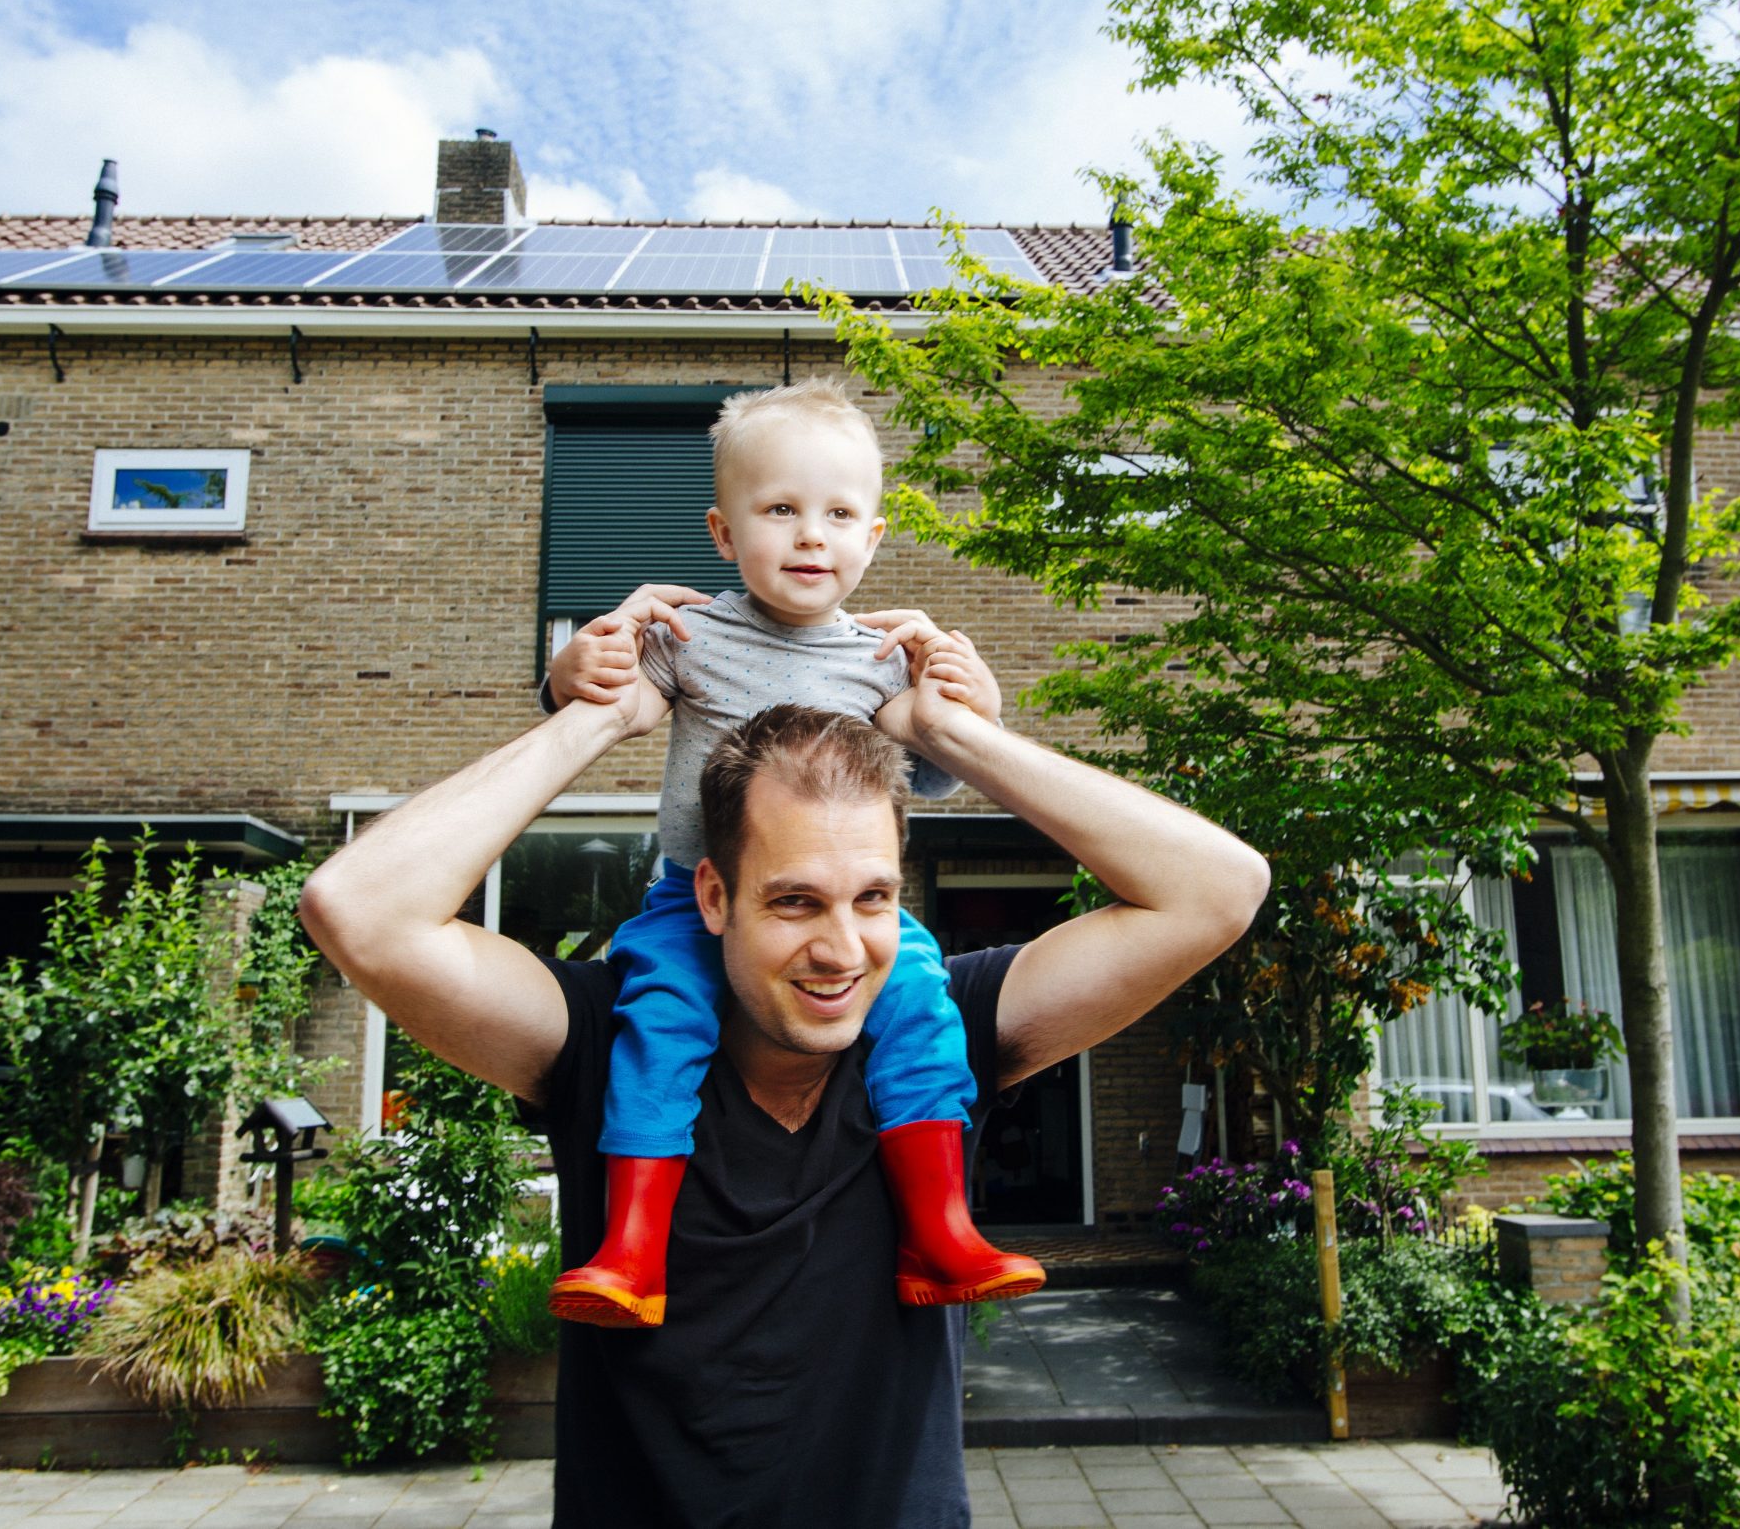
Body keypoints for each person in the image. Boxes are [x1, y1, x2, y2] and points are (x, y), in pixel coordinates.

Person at [300, 646, 1268, 1526]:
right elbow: (359, 910)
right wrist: (593, 719)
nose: (841, 950)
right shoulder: (609, 1039)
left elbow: (1219, 889)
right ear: (713, 897)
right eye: (795, 900)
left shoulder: (941, 1036)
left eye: (874, 898)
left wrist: (956, 737)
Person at [535, 377, 1031, 1328]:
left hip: (835, 901)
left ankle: (941, 1229)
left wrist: (976, 703)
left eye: (840, 513)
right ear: (724, 533)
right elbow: (594, 700)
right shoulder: (688, 634)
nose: (812, 535)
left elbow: (931, 777)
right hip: (692, 898)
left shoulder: (882, 657)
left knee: (923, 1008)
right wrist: (574, 667)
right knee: (662, 1027)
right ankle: (632, 1250)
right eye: (782, 510)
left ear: (874, 538)